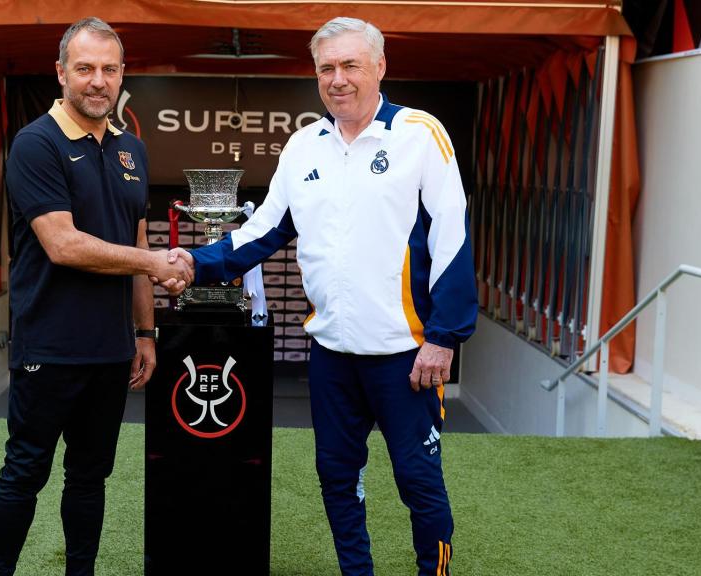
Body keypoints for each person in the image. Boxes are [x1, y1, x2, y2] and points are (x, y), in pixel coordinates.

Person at [164, 17, 477, 576]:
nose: (338, 79)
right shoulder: (304, 145)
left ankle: (435, 570)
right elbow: (262, 231)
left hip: (406, 355)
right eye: (327, 68)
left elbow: (453, 242)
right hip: (331, 355)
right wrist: (193, 262)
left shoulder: (420, 135)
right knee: (337, 477)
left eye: (351, 65)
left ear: (380, 67)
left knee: (418, 480)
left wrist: (444, 339)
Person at [0, 17, 191, 576]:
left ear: (122, 74)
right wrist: (154, 264)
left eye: (108, 69)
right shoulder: (36, 144)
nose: (97, 81)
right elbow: (64, 245)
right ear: (61, 73)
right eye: (84, 69)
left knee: (89, 475)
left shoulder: (132, 151)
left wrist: (145, 333)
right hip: (47, 347)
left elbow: (138, 241)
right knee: (25, 471)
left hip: (110, 351)